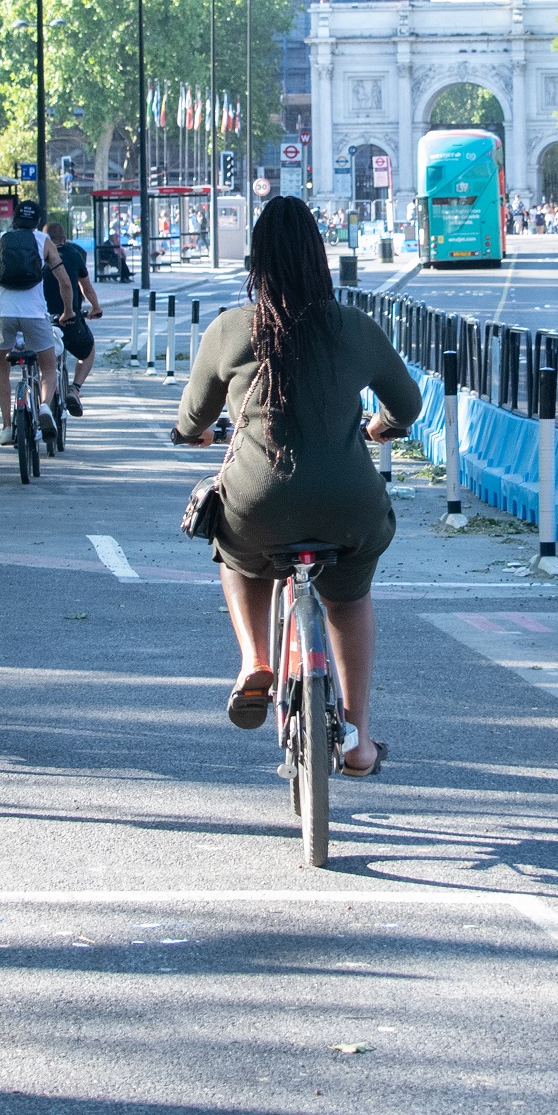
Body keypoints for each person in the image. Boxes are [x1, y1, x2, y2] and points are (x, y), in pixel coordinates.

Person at [174, 196, 419, 777]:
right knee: (349, 598)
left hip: (260, 503)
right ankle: (359, 741)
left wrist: (199, 437)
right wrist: (380, 428)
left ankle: (255, 661)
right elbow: (406, 406)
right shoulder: (354, 327)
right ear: (319, 257)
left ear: (256, 263)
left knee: (235, 549)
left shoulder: (230, 330)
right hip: (349, 506)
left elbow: (189, 422)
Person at [0, 197, 78, 430]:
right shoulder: (43, 241)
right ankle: (45, 406)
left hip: (1, 314)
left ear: (14, 219)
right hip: (35, 314)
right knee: (47, 367)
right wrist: (68, 311)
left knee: (1, 369)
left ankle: (7, 427)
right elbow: (65, 282)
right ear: (37, 221)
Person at [46, 207, 99, 417]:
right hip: (69, 320)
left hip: (41, 321)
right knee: (88, 349)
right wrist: (96, 308)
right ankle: (74, 389)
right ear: (64, 239)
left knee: (43, 360)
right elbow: (86, 288)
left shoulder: (37, 255)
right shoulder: (73, 255)